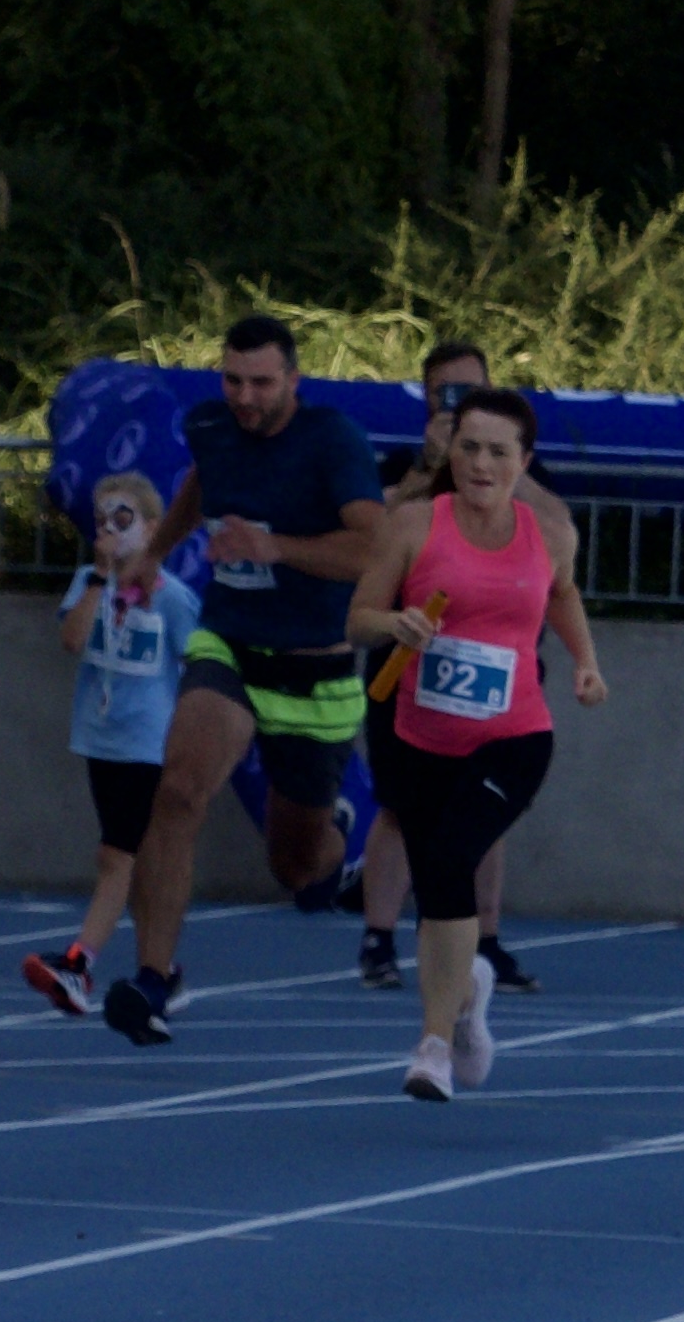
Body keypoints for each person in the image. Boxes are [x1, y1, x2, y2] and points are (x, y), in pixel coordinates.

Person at [110, 313, 388, 1045]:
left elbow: (372, 547)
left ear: (292, 380)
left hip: (314, 666)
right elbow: (201, 487)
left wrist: (276, 545)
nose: (245, 396)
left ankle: (334, 838)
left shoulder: (332, 441)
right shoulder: (209, 424)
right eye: (233, 380)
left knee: (295, 867)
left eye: (261, 382)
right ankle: (153, 978)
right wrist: (153, 553)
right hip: (229, 640)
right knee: (176, 789)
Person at [346, 386, 600, 1102]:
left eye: (496, 451)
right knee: (438, 885)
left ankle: (429, 1046)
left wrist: (584, 662)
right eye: (467, 446)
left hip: (513, 738)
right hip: (421, 734)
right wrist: (392, 624)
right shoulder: (411, 525)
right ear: (447, 449)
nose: (479, 462)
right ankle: (466, 1000)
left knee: (454, 857)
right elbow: (358, 616)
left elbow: (562, 594)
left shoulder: (547, 533)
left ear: (523, 461)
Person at [358, 338, 563, 998]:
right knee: (399, 805)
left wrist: (507, 464)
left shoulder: (515, 471)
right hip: (411, 661)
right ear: (425, 398)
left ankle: (485, 940)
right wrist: (430, 461)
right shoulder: (406, 466)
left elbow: (558, 537)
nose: (459, 408)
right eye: (447, 394)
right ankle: (378, 935)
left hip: (495, 672)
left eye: (469, 392)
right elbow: (379, 530)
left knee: (483, 806)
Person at [23, 473, 198, 1017]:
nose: (111, 532)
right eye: (102, 522)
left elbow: (196, 666)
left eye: (124, 521)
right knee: (137, 863)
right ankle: (161, 971)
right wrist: (100, 577)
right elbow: (72, 640)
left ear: (152, 528)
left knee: (114, 857)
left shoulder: (173, 599)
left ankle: (78, 964)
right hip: (102, 739)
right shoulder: (87, 584)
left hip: (149, 744)